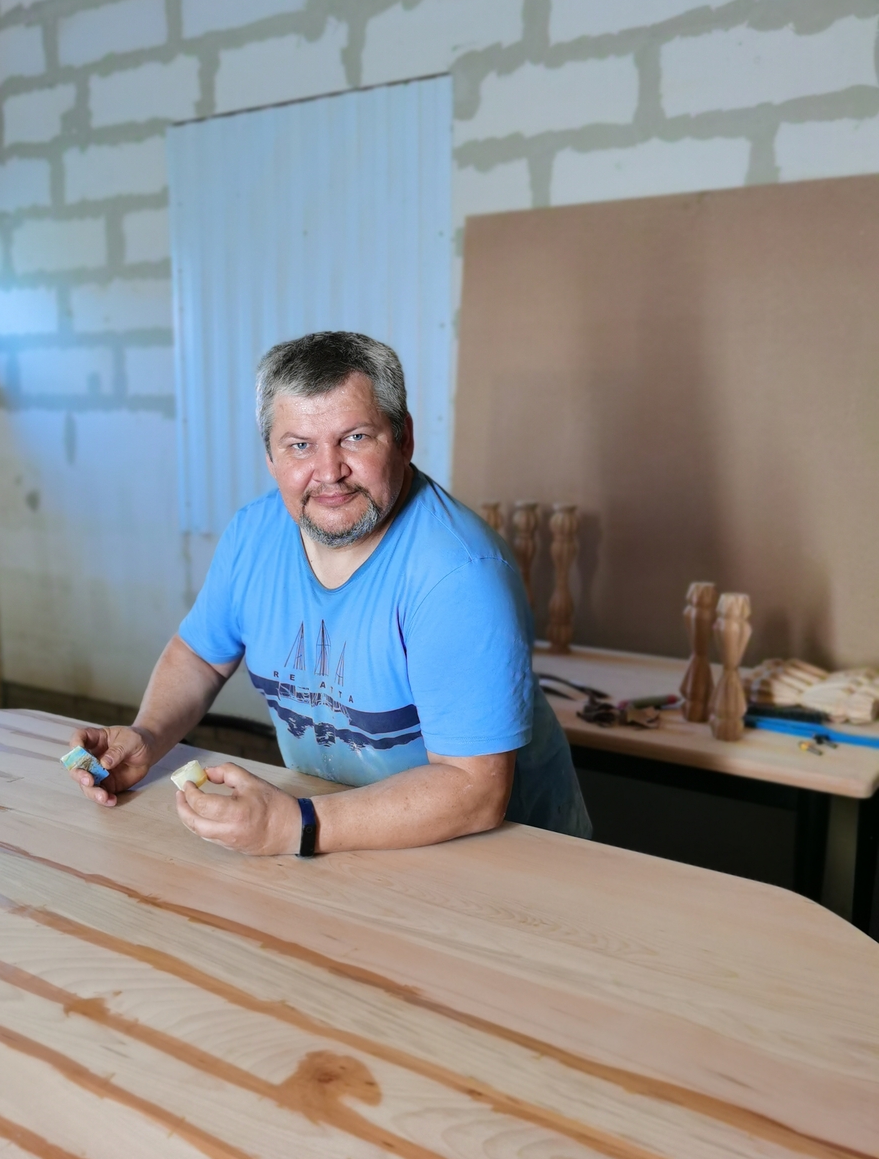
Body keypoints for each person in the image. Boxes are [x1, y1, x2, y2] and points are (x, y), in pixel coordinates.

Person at [69, 330, 591, 855]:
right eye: (299, 446)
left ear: (404, 438)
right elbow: (201, 656)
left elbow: (475, 792)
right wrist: (148, 736)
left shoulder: (459, 574)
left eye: (356, 437)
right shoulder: (253, 535)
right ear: (270, 457)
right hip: (341, 830)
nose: (329, 473)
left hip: (507, 858)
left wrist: (293, 825)